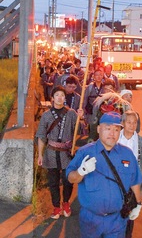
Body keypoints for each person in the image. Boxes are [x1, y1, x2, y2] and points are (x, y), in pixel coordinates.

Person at [66, 111, 142, 238]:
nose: (112, 134)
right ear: (98, 129)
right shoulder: (85, 152)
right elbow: (70, 178)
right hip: (91, 219)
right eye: (108, 129)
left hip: (117, 220)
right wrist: (81, 171)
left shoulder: (127, 154)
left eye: (116, 129)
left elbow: (135, 181)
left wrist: (138, 204)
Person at [36, 85, 83, 220]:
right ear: (52, 98)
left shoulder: (71, 113)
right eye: (57, 95)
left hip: (66, 152)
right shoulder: (46, 116)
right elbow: (41, 136)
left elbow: (78, 131)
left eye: (62, 95)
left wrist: (81, 118)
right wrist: (40, 154)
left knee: (68, 180)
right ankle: (56, 207)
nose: (60, 97)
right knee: (53, 182)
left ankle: (66, 203)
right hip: (51, 152)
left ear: (64, 98)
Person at [119, 110, 142, 238]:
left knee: (131, 211)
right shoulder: (115, 138)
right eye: (129, 122)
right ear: (123, 123)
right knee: (115, 210)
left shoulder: (141, 142)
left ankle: (127, 235)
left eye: (134, 123)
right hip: (116, 181)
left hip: (134, 182)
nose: (132, 125)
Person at [83, 68, 106, 141]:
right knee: (92, 133)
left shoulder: (105, 87)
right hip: (92, 114)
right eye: (97, 75)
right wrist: (84, 115)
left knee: (103, 132)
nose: (99, 77)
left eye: (100, 75)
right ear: (93, 76)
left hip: (103, 113)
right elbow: (85, 100)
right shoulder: (89, 87)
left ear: (103, 76)